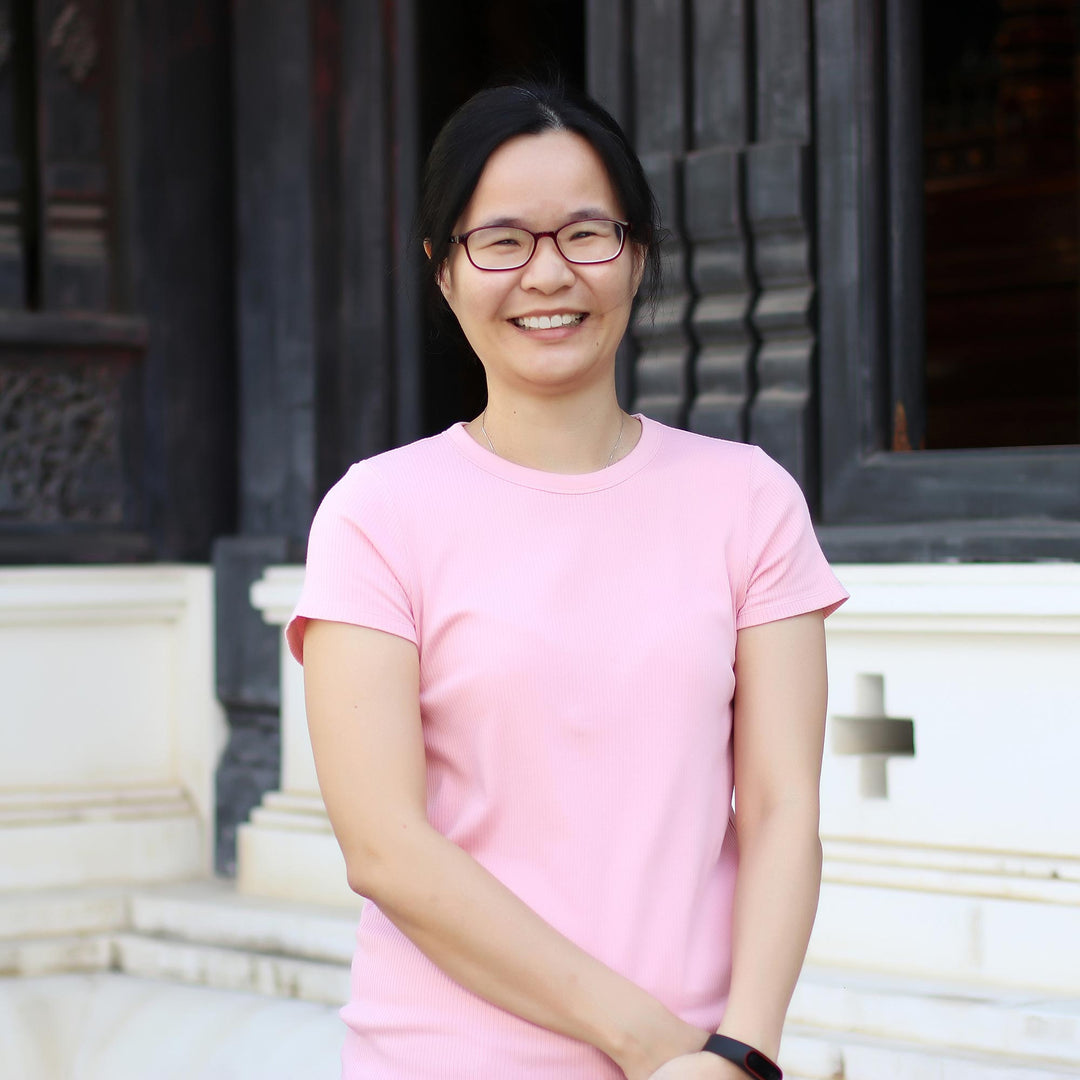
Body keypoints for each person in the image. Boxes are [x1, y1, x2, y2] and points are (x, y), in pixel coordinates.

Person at [286, 80, 848, 1080]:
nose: (548, 274)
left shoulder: (747, 499)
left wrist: (743, 1051)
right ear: (444, 270)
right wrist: (651, 1045)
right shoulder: (377, 515)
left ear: (636, 253)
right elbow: (383, 845)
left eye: (586, 234)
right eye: (501, 241)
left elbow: (778, 808)